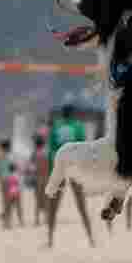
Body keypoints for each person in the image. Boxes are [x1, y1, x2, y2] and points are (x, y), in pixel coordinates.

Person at [46, 104, 96, 248]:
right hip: (74, 167)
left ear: (62, 115)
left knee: (54, 205)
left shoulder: (55, 127)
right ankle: (90, 237)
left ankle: (50, 239)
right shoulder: (78, 126)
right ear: (73, 114)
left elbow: (51, 150)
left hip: (60, 166)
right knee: (81, 204)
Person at [0, 139, 24, 228]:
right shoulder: (13, 156)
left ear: (3, 147)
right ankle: (21, 221)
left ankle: (7, 222)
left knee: (6, 203)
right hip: (13, 181)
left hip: (4, 181)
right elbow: (17, 169)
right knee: (17, 202)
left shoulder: (1, 158)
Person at [31, 133, 49, 226]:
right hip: (46, 177)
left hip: (38, 178)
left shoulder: (35, 154)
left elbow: (32, 167)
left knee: (38, 200)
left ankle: (37, 219)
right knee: (45, 199)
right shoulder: (46, 153)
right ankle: (45, 218)